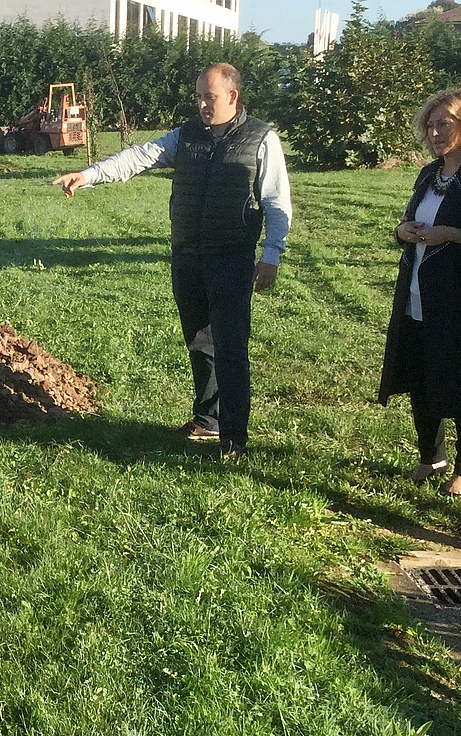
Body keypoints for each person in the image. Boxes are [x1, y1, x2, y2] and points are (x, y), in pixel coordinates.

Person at [51, 63, 292, 453]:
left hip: (231, 258)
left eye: (208, 97)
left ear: (232, 97)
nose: (201, 104)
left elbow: (277, 202)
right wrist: (89, 174)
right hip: (188, 257)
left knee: (230, 347)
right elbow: (139, 157)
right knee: (199, 340)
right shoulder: (188, 135)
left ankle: (233, 437)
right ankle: (208, 420)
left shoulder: (261, 138)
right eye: (198, 96)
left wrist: (271, 254)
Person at [378, 89, 461, 498]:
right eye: (431, 125)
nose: (435, 133)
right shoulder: (429, 174)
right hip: (420, 291)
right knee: (421, 375)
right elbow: (409, 221)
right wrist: (403, 232)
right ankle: (430, 455)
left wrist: (451, 235)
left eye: (445, 125)